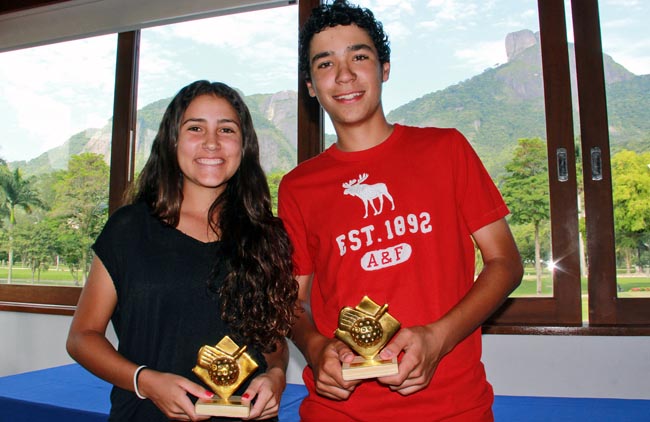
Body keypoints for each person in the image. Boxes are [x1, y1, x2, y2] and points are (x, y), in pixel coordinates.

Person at [277, 1, 524, 420]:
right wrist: (316, 348)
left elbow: (505, 262)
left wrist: (437, 338)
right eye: (325, 64)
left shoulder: (446, 150)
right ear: (310, 86)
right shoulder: (298, 186)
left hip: (454, 406)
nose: (345, 75)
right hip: (340, 410)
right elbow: (293, 301)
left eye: (359, 56)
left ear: (384, 68)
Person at [67, 80, 298, 421]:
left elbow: (270, 343)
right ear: (172, 140)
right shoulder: (129, 229)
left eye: (226, 129)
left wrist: (275, 376)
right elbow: (82, 337)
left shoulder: (267, 234)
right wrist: (146, 381)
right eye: (195, 127)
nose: (211, 142)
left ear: (244, 144)